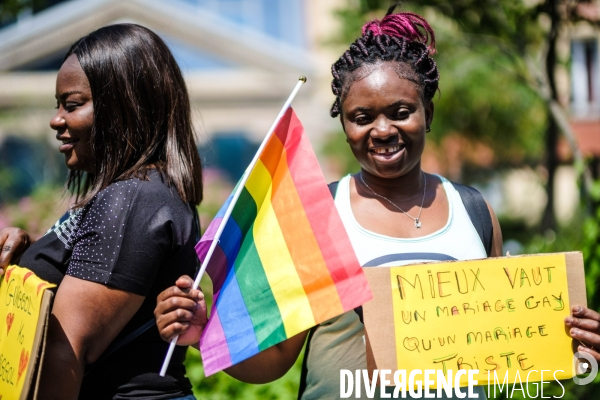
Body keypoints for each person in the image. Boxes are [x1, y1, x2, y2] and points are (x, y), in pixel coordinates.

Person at [153, 5, 600, 399]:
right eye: (362, 118)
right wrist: (200, 333)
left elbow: (502, 345)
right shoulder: (317, 216)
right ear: (344, 125)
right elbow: (276, 360)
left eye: (400, 112)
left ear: (428, 113)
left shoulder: (474, 210)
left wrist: (572, 343)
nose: (382, 130)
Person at [0, 24, 203, 399]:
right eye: (58, 105)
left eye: (72, 105)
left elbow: (66, 351)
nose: (56, 120)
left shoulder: (132, 199)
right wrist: (28, 254)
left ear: (124, 106)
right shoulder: (135, 193)